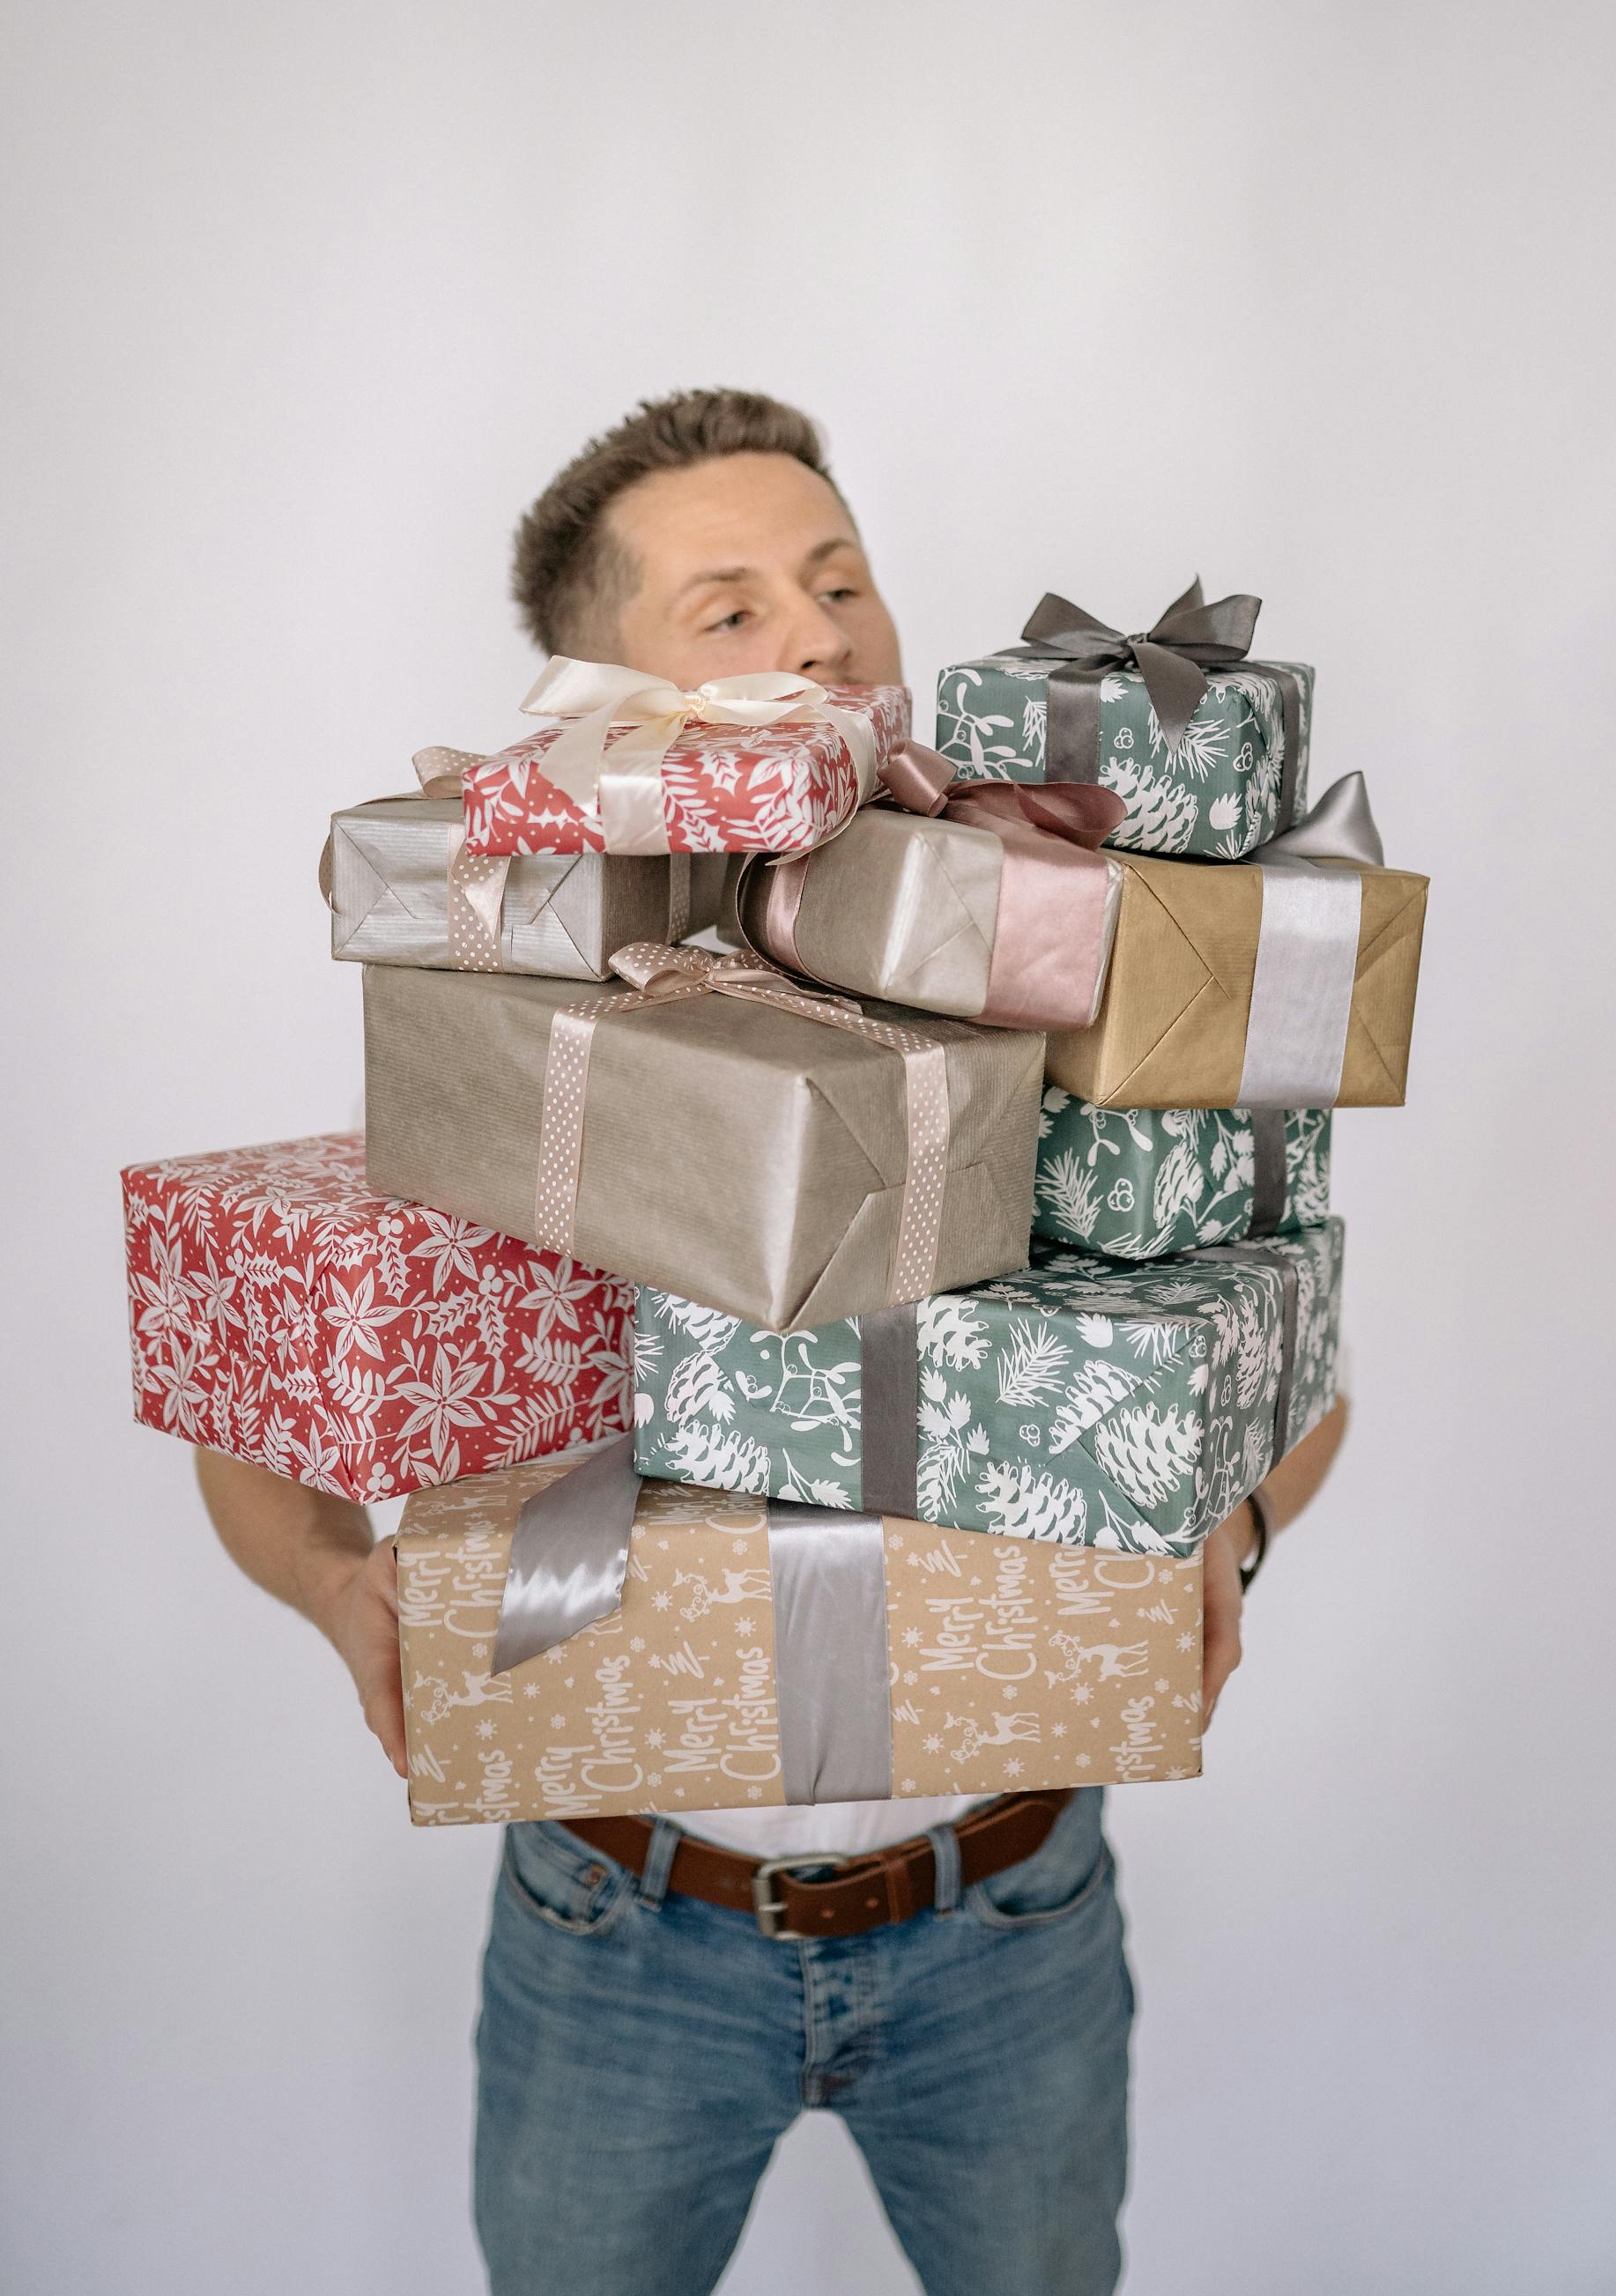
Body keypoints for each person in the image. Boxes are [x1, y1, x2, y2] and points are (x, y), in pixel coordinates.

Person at [197, 388, 1349, 2296]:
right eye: (729, 610)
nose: (820, 636)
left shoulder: (1067, 960)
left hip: (1013, 1901)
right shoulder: (519, 1025)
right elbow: (258, 1385)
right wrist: (340, 1590)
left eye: (841, 583)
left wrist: (1231, 1526)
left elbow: (1284, 1333)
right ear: (595, 694)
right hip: (615, 1922)